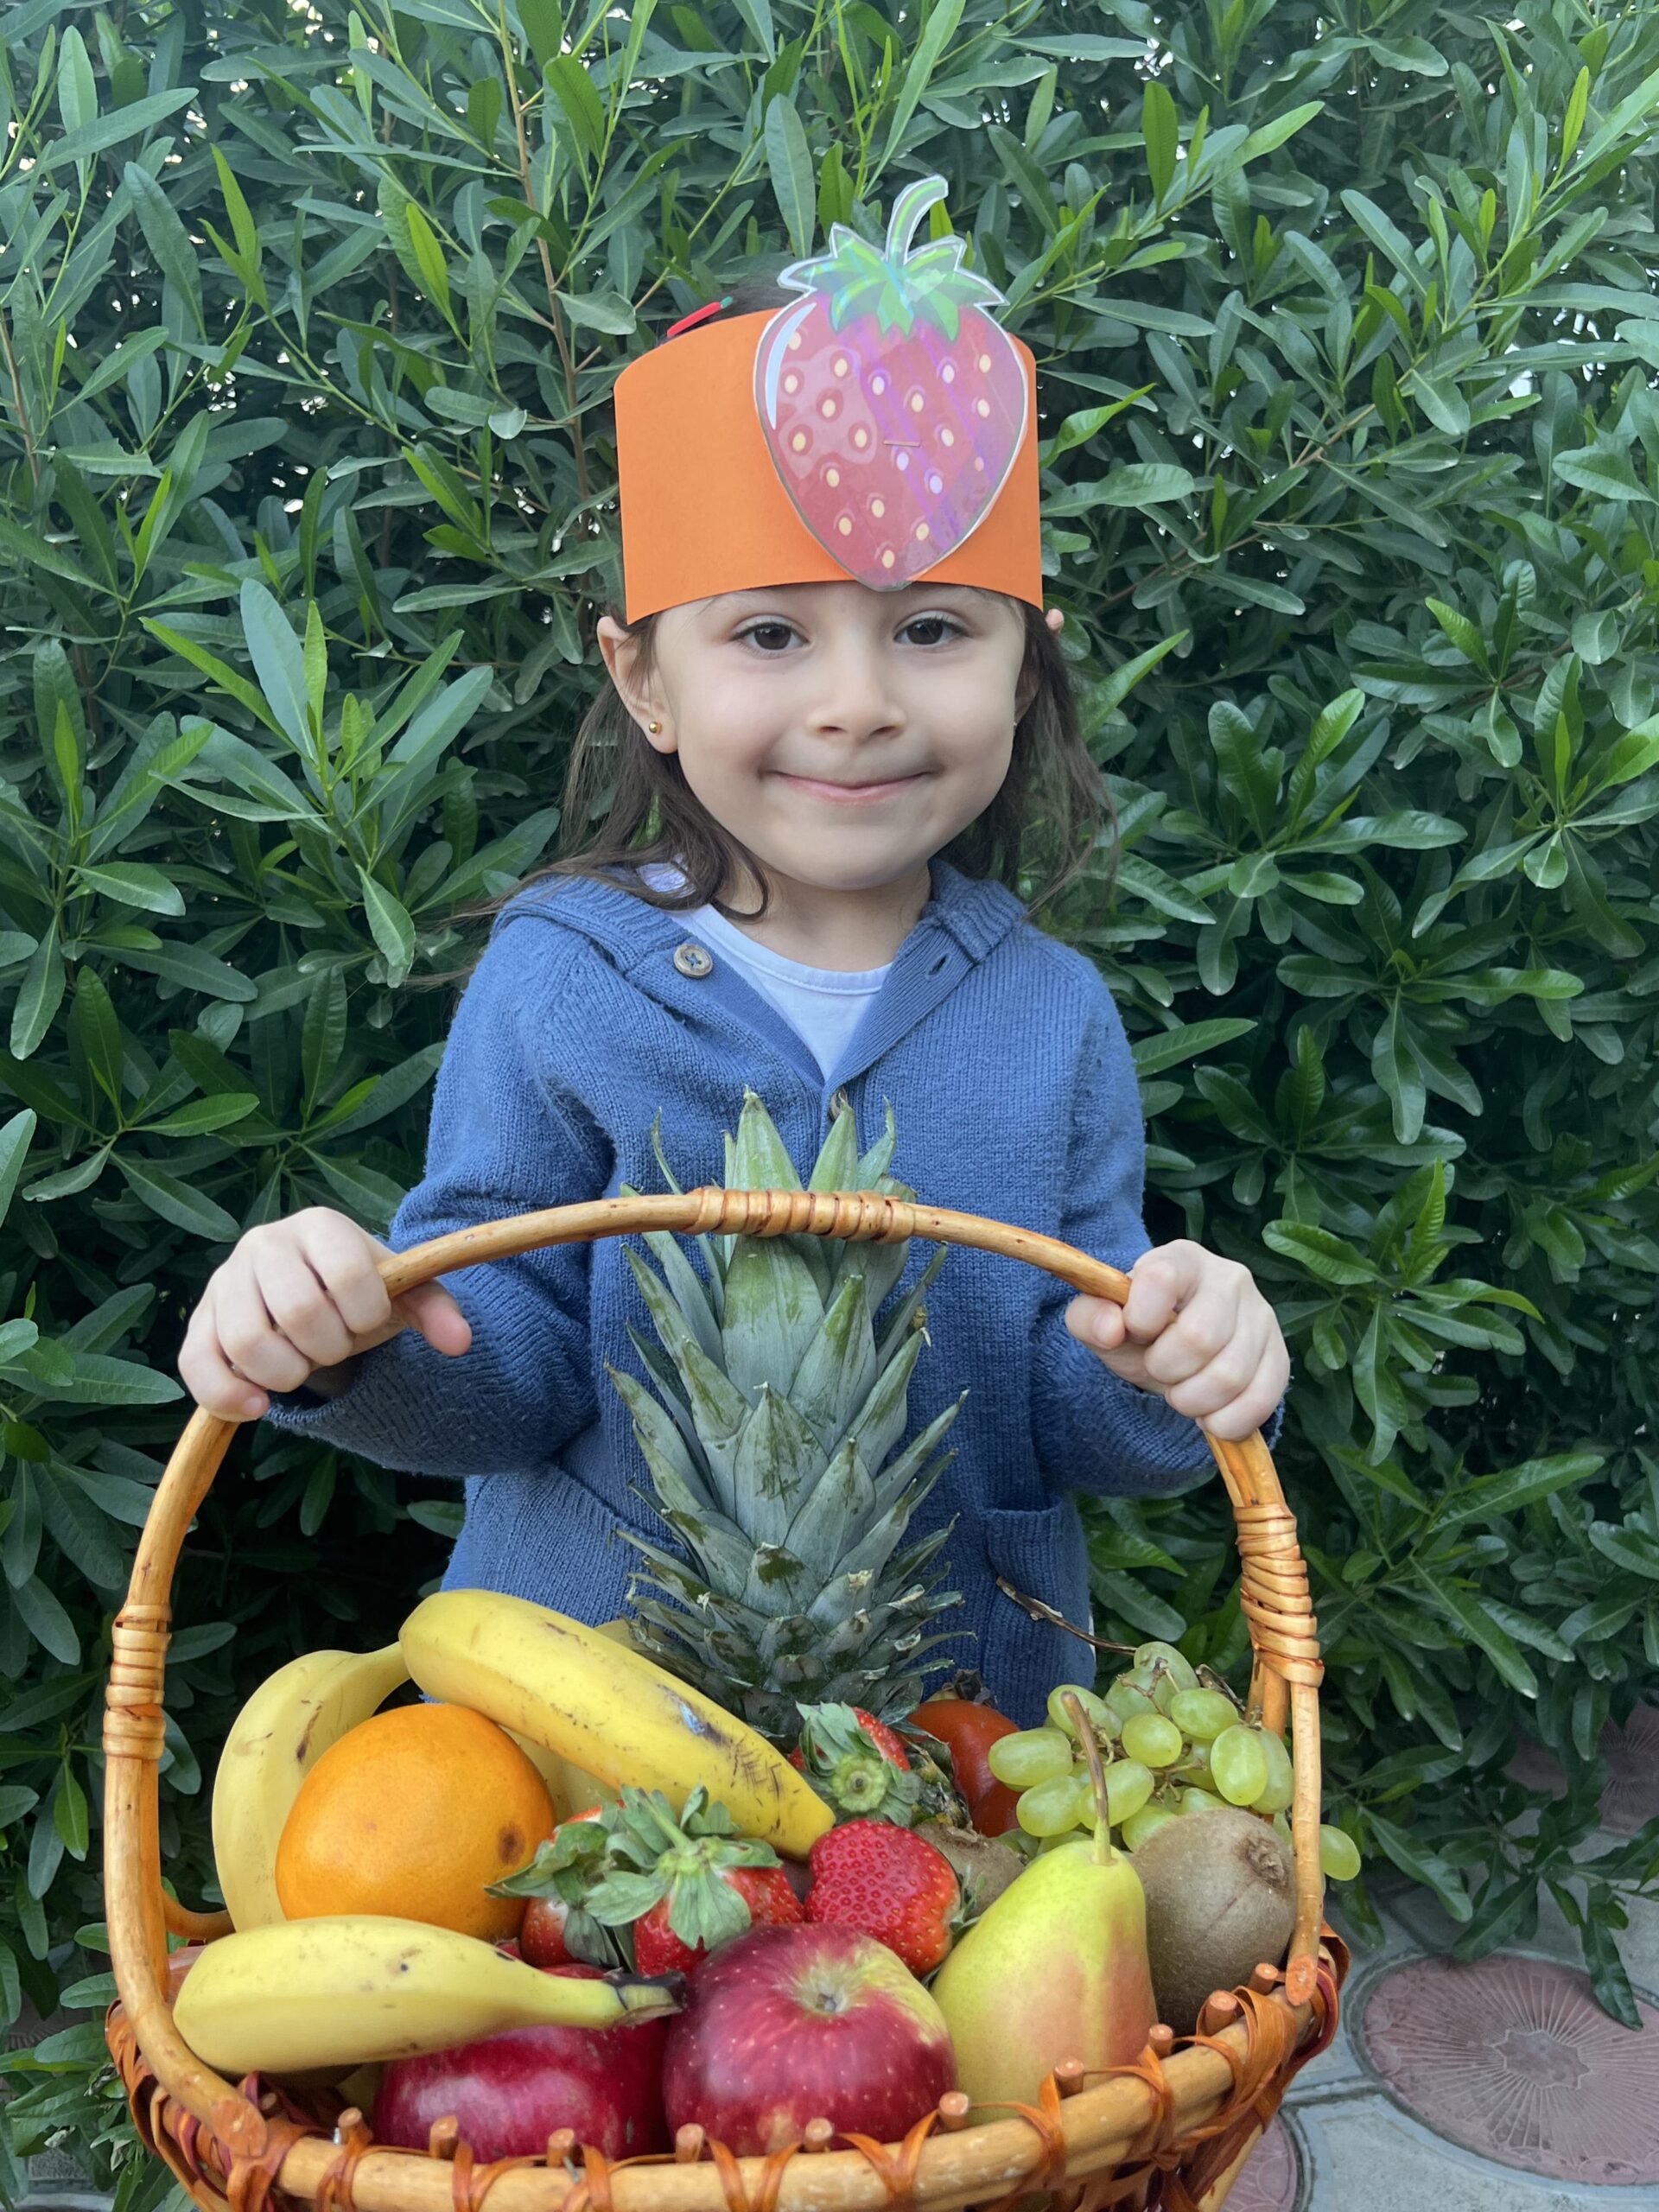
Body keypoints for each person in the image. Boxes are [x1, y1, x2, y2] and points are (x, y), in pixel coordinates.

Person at [180, 180, 1288, 1724]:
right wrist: (351, 1340)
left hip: (952, 1761)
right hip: (583, 1747)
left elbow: (1057, 1401)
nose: (859, 702)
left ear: (1025, 671)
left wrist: (1174, 1366)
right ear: (647, 682)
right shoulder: (565, 975)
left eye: (933, 629)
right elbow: (506, 1363)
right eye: (770, 635)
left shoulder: (1052, 1013)